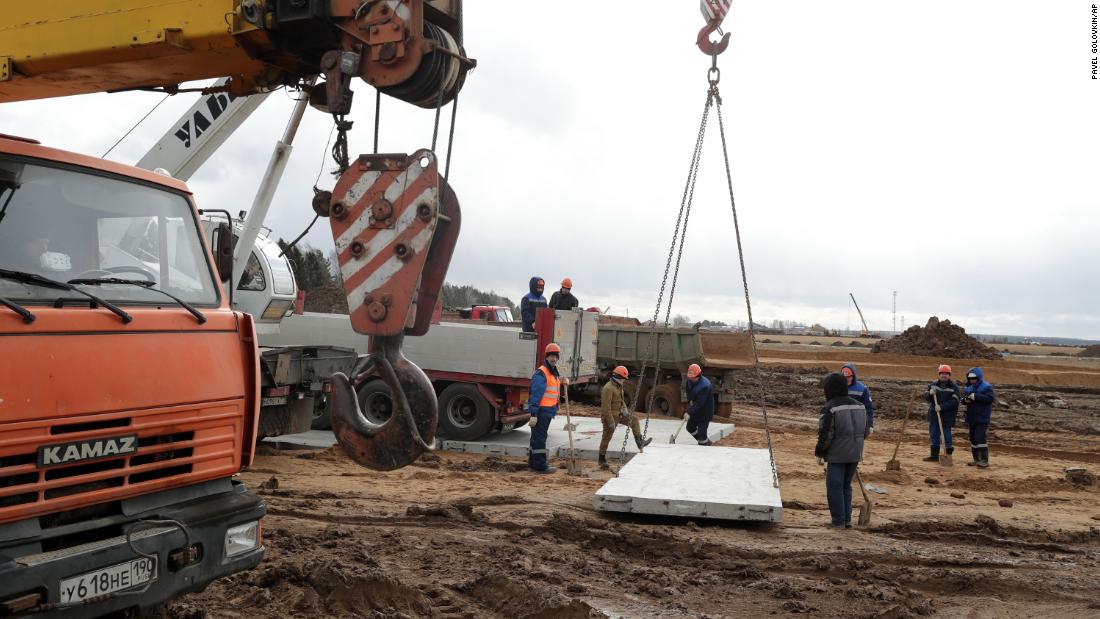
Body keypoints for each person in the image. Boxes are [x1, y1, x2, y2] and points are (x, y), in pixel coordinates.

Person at [815, 371, 871, 529]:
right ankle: (846, 520)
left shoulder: (830, 408)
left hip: (837, 455)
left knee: (835, 486)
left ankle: (838, 521)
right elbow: (865, 432)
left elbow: (826, 435)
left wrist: (819, 453)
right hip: (855, 453)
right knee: (846, 486)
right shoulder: (860, 406)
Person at [597, 365, 652, 469]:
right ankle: (601, 458)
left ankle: (640, 442)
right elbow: (605, 407)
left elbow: (621, 400)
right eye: (623, 379)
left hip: (620, 414)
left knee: (634, 420)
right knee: (606, 438)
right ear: (618, 377)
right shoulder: (608, 388)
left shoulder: (619, 386)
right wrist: (610, 421)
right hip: (610, 417)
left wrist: (625, 409)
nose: (624, 381)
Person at [526, 343, 563, 473]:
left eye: (556, 356)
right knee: (540, 439)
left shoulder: (553, 372)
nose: (554, 359)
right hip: (541, 412)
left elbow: (552, 388)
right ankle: (541, 465)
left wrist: (563, 381)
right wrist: (533, 414)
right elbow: (535, 395)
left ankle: (532, 462)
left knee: (536, 438)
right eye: (551, 356)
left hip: (547, 411)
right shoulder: (542, 373)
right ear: (547, 357)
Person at [922, 364, 960, 462]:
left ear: (949, 375)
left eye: (946, 374)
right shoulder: (933, 385)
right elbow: (926, 397)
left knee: (946, 435)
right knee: (934, 434)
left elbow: (954, 401)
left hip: (947, 416)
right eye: (942, 373)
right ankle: (934, 456)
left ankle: (947, 455)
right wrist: (929, 394)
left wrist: (942, 407)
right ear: (939, 374)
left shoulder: (954, 387)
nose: (944, 375)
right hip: (935, 415)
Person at [962, 367, 995, 468]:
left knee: (980, 437)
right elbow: (963, 400)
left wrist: (975, 396)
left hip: (982, 417)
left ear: (978, 377)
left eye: (974, 378)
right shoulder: (969, 388)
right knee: (972, 438)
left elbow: (990, 398)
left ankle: (984, 460)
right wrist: (964, 400)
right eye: (970, 378)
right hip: (972, 417)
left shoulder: (986, 387)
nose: (972, 380)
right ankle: (977, 460)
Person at [685, 364, 715, 446]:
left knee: (702, 436)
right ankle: (703, 441)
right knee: (690, 428)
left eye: (692, 378)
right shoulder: (689, 382)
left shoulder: (705, 386)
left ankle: (706, 444)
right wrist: (690, 402)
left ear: (698, 376)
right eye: (690, 377)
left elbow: (699, 403)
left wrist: (689, 412)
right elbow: (689, 395)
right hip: (695, 410)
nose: (691, 379)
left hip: (705, 412)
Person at [841, 363, 875, 433]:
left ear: (853, 376)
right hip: (841, 422)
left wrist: (870, 424)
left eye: (848, 377)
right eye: (844, 377)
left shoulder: (862, 389)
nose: (846, 379)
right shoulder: (837, 387)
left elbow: (868, 408)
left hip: (856, 422)